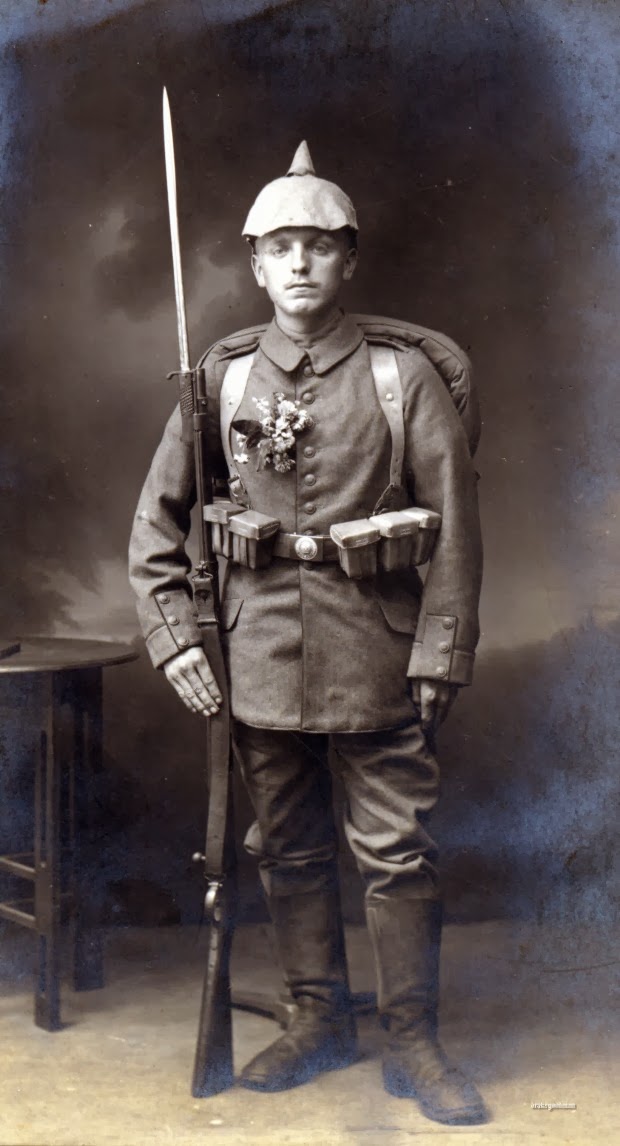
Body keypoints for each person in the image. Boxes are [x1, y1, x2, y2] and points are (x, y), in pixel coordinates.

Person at [128, 141, 486, 1126]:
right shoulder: (224, 379)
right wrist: (176, 639)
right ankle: (315, 1016)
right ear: (252, 264)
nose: (298, 263)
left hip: (375, 645)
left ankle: (412, 1038)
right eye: (278, 246)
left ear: (349, 261)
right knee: (282, 846)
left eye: (318, 246)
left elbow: (452, 526)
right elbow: (158, 523)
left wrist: (437, 650)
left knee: (395, 852)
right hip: (253, 660)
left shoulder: (398, 377)